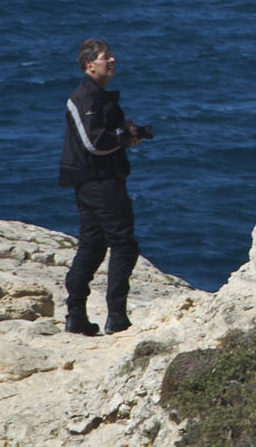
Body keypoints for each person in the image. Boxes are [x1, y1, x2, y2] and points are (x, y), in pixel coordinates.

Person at [58, 39, 152, 335]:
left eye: (111, 55)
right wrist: (123, 136)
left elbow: (100, 138)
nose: (112, 60)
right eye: (105, 57)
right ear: (90, 65)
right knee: (123, 244)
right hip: (100, 182)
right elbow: (94, 142)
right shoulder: (85, 96)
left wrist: (127, 135)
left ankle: (76, 317)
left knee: (94, 245)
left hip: (92, 181)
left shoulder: (96, 95)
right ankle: (117, 317)